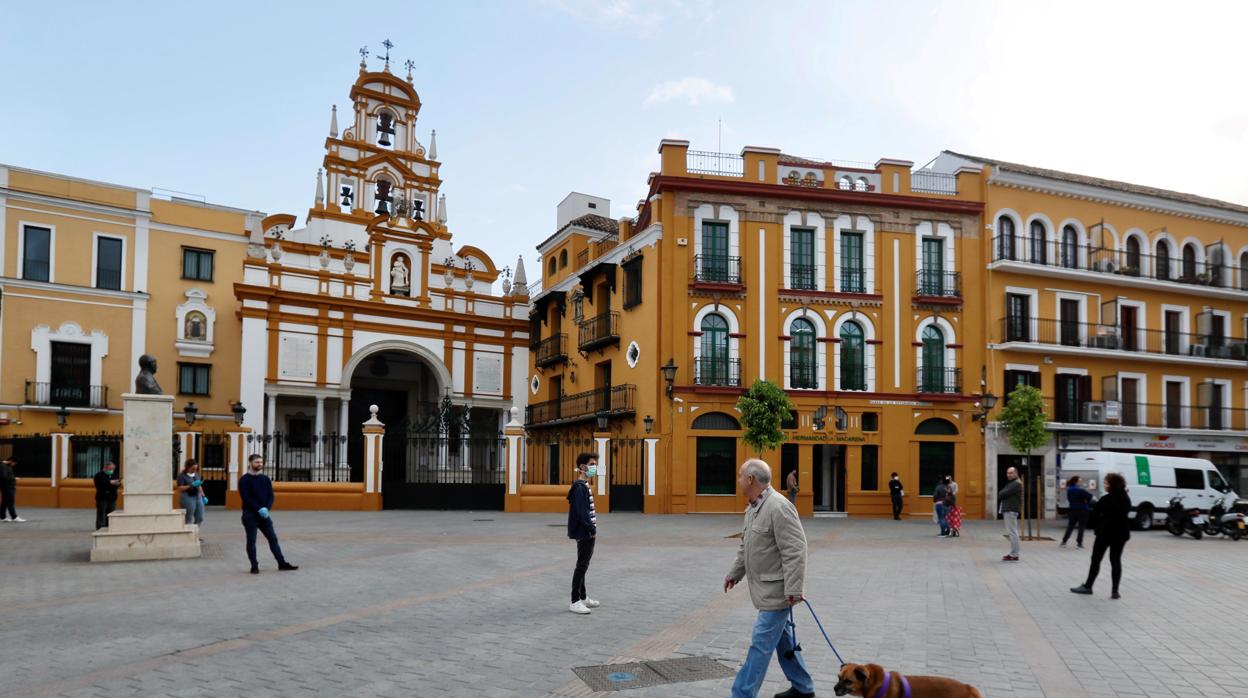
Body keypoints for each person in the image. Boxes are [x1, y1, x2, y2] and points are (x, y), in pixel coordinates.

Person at [724, 459, 815, 698]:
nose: (739, 480)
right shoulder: (753, 508)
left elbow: (795, 549)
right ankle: (803, 688)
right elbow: (747, 546)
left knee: (760, 646)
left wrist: (794, 589)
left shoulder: (779, 507)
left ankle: (741, 694)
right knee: (783, 640)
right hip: (765, 591)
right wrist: (735, 573)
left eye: (740, 475)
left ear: (750, 479)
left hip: (778, 593)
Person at [1071, 472, 1131, 599]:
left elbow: (1095, 514)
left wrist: (1092, 505)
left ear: (1112, 485)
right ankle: (1115, 591)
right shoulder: (1126, 498)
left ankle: (1088, 586)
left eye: (1106, 483)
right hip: (1121, 534)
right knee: (1115, 560)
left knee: (1096, 560)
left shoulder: (1106, 499)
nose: (1104, 485)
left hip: (1105, 533)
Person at [238, 454, 298, 574]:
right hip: (250, 515)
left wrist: (267, 508)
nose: (259, 464)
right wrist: (259, 508)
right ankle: (254, 566)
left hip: (264, 515)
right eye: (256, 462)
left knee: (273, 539)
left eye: (261, 462)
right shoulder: (244, 479)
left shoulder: (265, 479)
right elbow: (246, 497)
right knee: (251, 541)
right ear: (250, 463)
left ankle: (282, 563)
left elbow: (271, 495)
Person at [567, 452, 600, 615]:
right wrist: (591, 529)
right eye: (592, 464)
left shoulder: (583, 485)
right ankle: (574, 601)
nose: (595, 467)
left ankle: (583, 596)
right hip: (585, 532)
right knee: (582, 565)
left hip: (586, 531)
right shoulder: (580, 487)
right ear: (582, 467)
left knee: (583, 564)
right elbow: (581, 512)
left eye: (595, 464)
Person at [1060, 475, 1093, 549]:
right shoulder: (1081, 490)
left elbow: (1069, 499)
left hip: (1073, 509)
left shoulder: (1069, 489)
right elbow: (1090, 497)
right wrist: (1085, 500)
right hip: (1083, 510)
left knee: (1070, 526)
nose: (1081, 482)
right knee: (1081, 527)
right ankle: (1079, 544)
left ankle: (1064, 541)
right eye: (1080, 481)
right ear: (1076, 482)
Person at [1000, 467, 1022, 561]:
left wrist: (1001, 492)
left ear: (1016, 473)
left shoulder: (1016, 483)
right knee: (1012, 532)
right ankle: (1013, 553)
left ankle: (1014, 554)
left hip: (1011, 510)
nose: (1009, 474)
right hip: (1010, 509)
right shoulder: (1012, 483)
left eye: (1011, 473)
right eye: (1008, 473)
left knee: (1013, 532)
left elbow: (1002, 493)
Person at [93, 461, 121, 530]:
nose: (111, 471)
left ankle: (109, 526)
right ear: (105, 468)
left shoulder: (114, 475)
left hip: (112, 498)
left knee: (111, 513)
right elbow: (100, 485)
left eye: (112, 469)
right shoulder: (98, 475)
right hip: (102, 498)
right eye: (110, 469)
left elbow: (117, 483)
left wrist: (117, 483)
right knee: (101, 513)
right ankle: (100, 527)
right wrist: (110, 483)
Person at [177, 459, 205, 526]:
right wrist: (191, 485)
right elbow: (180, 488)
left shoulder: (196, 474)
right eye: (193, 469)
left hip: (197, 496)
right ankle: (189, 534)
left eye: (196, 469)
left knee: (200, 517)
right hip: (187, 496)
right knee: (188, 517)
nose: (194, 470)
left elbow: (199, 486)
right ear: (187, 467)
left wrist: (203, 496)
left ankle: (196, 534)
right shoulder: (182, 476)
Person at [0, 457, 24, 522]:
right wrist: (14, 478)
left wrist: (13, 478)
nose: (14, 465)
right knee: (10, 502)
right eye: (14, 463)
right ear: (10, 461)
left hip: (8, 487)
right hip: (7, 487)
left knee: (4, 502)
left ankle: (2, 517)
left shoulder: (7, 466)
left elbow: (8, 476)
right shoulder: (2, 466)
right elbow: (4, 477)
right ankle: (14, 517)